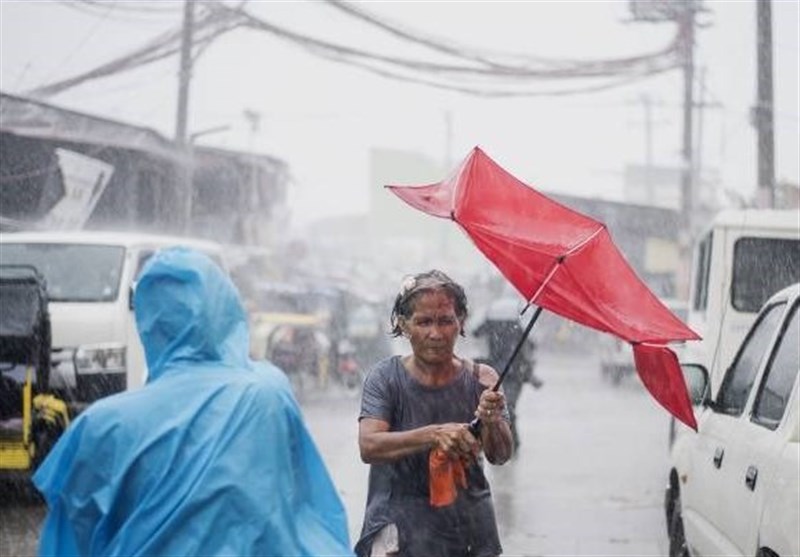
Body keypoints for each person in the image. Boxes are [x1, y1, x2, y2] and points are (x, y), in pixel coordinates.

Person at [33, 247, 353, 557]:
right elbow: (314, 509)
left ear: (147, 322)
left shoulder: (102, 425)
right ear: (225, 309)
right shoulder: (267, 393)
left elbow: (68, 541)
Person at [355, 270, 513, 557]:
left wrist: (491, 422)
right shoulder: (386, 378)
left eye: (445, 321)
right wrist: (434, 435)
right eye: (424, 322)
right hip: (399, 526)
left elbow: (500, 455)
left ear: (461, 322)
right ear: (403, 325)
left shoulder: (483, 379)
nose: (435, 333)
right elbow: (369, 446)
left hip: (469, 529)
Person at [473, 300, 543, 451]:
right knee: (501, 407)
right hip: (499, 372)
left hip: (512, 373)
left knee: (507, 407)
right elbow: (476, 334)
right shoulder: (505, 321)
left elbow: (476, 333)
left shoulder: (516, 322)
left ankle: (511, 443)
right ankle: (505, 442)